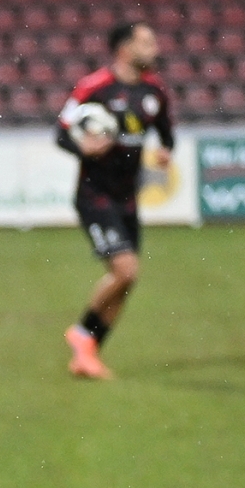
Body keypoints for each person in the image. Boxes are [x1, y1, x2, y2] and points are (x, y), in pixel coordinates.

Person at [57, 23, 172, 380]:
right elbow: (61, 132)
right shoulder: (94, 87)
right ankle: (81, 333)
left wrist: (166, 150)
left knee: (125, 281)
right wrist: (84, 147)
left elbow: (166, 132)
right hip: (95, 195)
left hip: (127, 200)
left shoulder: (154, 91)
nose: (155, 48)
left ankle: (87, 356)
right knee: (126, 271)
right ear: (124, 48)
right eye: (147, 42)